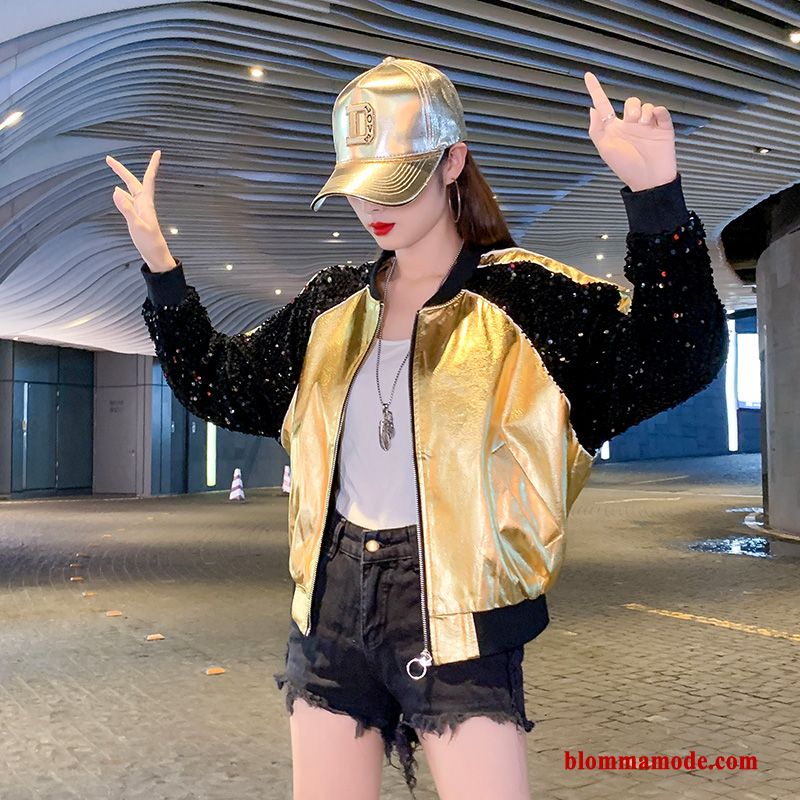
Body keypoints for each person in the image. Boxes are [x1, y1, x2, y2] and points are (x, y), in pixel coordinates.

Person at [106, 56, 728, 800]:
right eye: (358, 184)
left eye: (395, 181)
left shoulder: (528, 301)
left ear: (452, 162)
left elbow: (677, 355)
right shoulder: (330, 307)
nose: (373, 205)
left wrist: (656, 198)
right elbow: (222, 385)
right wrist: (161, 270)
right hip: (330, 605)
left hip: (463, 615)